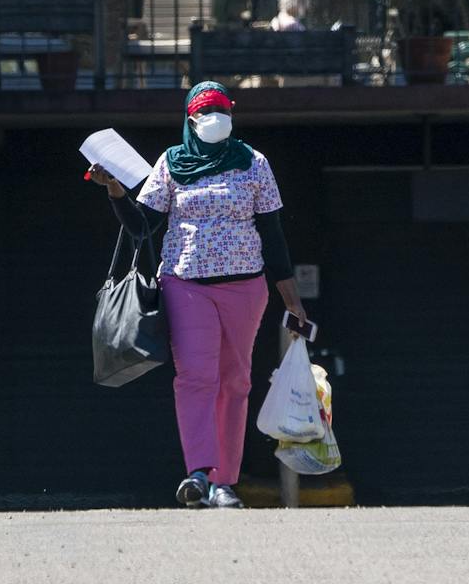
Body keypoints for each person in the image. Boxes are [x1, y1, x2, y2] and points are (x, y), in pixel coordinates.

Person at [87, 80, 307, 509]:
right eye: (206, 111)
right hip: (186, 285)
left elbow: (273, 235)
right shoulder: (170, 164)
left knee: (235, 382)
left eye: (222, 110)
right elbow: (141, 227)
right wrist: (115, 191)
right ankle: (199, 475)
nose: (215, 119)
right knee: (195, 378)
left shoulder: (254, 163)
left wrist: (291, 298)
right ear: (190, 118)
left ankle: (226, 482)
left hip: (246, 287)